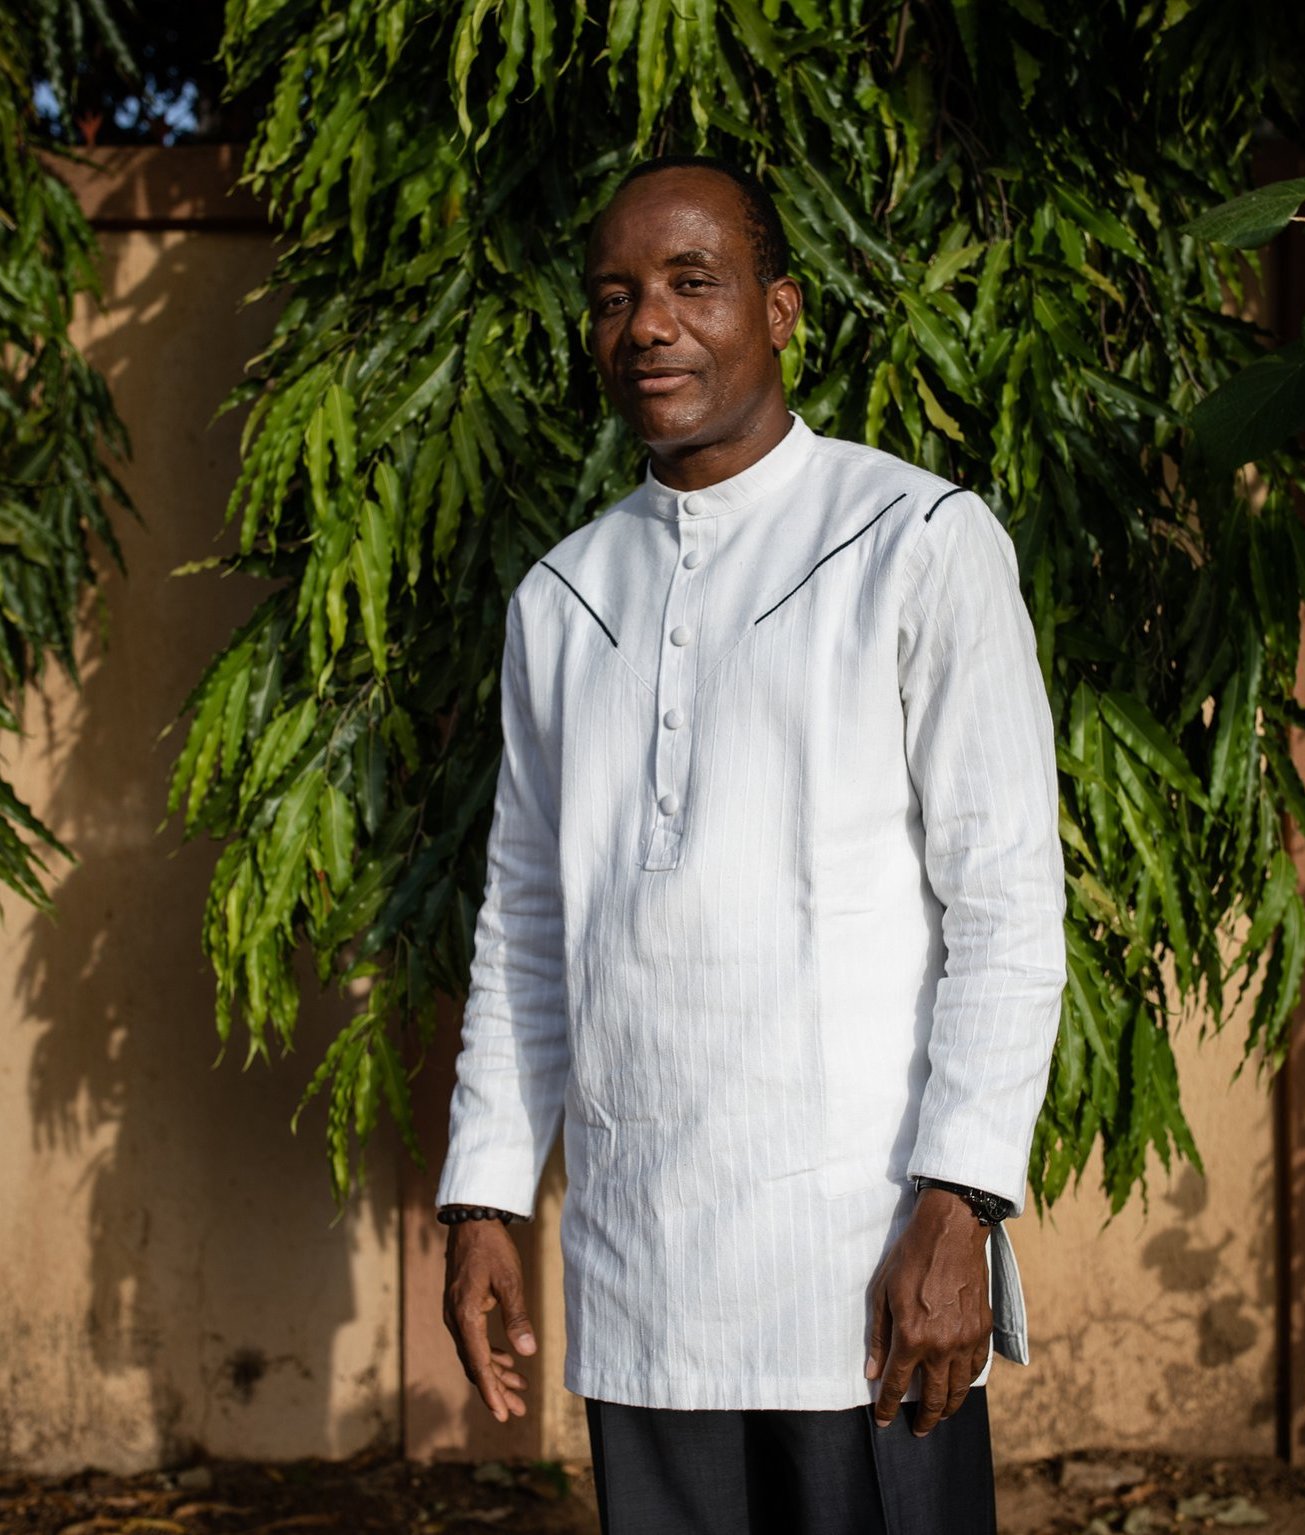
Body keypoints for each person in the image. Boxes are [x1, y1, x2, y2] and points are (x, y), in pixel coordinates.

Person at [436, 155, 1066, 1535]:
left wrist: (962, 1204)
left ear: (780, 310)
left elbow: (1008, 907)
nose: (648, 325)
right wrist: (483, 1199)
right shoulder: (563, 598)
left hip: (867, 1265)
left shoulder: (917, 539)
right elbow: (529, 922)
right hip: (641, 1272)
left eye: (691, 283)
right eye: (615, 296)